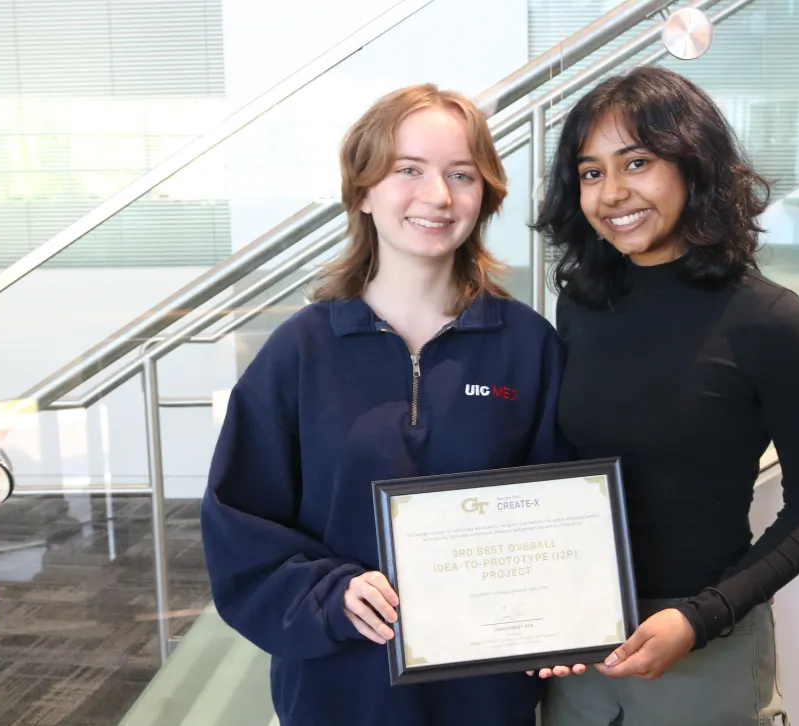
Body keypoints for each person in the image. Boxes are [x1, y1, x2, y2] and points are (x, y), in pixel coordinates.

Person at [200, 83, 570, 726]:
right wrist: (330, 594)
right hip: (339, 691)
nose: (438, 195)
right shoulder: (299, 352)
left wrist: (567, 617)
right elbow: (239, 525)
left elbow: (563, 512)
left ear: (484, 196)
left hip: (485, 696)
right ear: (364, 190)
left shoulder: (528, 346)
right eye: (409, 170)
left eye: (461, 174)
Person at [530, 66, 799, 725]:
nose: (613, 193)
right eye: (591, 172)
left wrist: (700, 618)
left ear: (693, 164)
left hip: (704, 649)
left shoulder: (770, 321)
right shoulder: (582, 305)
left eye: (637, 162)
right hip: (584, 648)